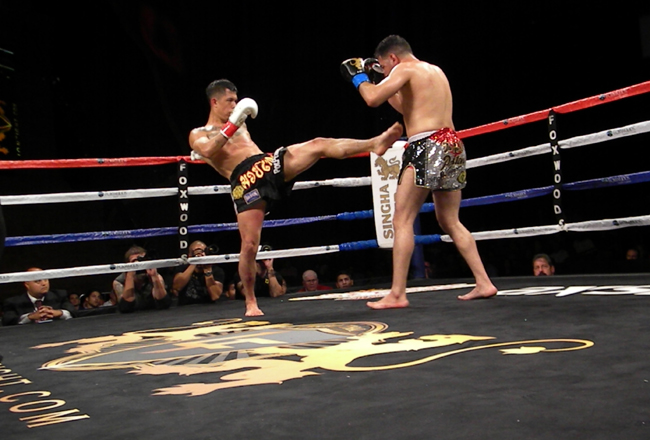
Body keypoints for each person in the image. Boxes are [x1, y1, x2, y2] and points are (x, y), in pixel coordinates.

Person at [189, 79, 403, 316]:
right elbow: (207, 150)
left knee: (318, 144)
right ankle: (250, 302)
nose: (235, 106)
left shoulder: (239, 124)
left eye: (236, 101)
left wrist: (234, 123)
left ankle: (374, 143)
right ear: (214, 102)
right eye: (230, 101)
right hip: (244, 180)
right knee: (249, 245)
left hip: (266, 164)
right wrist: (231, 124)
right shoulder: (199, 133)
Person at [340, 35, 498, 309]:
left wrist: (357, 78)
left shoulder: (404, 68)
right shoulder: (433, 71)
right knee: (450, 220)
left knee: (401, 218)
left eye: (384, 67)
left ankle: (398, 293)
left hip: (427, 145)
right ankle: (484, 282)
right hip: (452, 144)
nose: (387, 73)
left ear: (393, 58)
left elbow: (372, 99)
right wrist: (377, 78)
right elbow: (405, 106)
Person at [1, 268, 74, 325]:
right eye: (38, 281)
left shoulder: (59, 295)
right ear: (27, 284)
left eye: (45, 280)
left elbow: (75, 313)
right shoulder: (13, 302)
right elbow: (8, 321)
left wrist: (59, 313)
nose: (44, 284)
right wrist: (29, 317)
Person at [112, 245, 171, 313]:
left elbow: (164, 304)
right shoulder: (119, 282)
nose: (140, 265)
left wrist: (154, 277)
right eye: (134, 261)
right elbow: (126, 307)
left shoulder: (155, 277)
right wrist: (130, 275)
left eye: (142, 261)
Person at [172, 240, 225, 305]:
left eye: (203, 251)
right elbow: (177, 287)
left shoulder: (216, 270)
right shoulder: (183, 268)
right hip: (186, 308)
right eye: (197, 252)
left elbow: (215, 296)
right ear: (190, 255)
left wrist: (207, 270)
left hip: (208, 309)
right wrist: (194, 262)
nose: (201, 255)